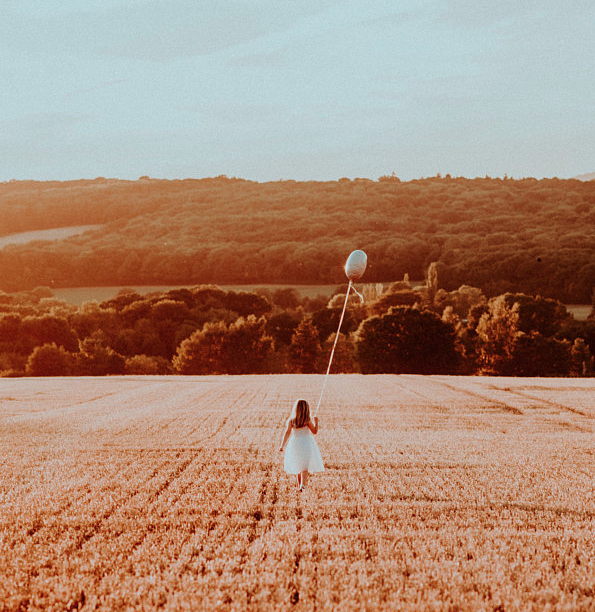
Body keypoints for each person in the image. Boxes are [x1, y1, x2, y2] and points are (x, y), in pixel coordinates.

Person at [279, 399, 324, 491]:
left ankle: (300, 484)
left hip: (295, 444)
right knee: (305, 466)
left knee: (298, 464)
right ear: (307, 409)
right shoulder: (307, 420)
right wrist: (316, 422)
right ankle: (302, 485)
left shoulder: (291, 421)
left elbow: (287, 433)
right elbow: (314, 431)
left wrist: (282, 445)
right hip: (306, 443)